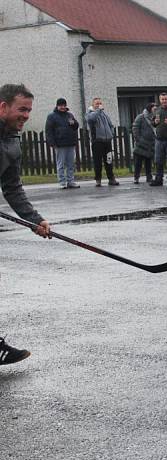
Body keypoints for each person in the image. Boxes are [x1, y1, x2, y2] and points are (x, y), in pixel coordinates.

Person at [0, 84, 52, 365]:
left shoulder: (12, 141)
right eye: (22, 109)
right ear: (3, 107)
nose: (26, 116)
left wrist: (34, 220)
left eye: (29, 111)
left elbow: (12, 187)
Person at [45, 98, 80, 189]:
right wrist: (52, 143)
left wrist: (74, 123)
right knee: (60, 164)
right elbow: (48, 131)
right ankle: (62, 182)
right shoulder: (52, 116)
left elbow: (76, 126)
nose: (63, 107)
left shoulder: (69, 115)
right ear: (57, 106)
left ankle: (70, 181)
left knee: (70, 164)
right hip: (59, 144)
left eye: (64, 105)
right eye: (61, 105)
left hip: (70, 143)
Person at [86, 97, 119, 186]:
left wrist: (111, 133)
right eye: (97, 103)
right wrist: (98, 110)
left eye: (100, 103)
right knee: (97, 162)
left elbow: (110, 124)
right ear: (93, 105)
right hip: (97, 141)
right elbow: (91, 119)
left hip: (107, 141)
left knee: (109, 161)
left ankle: (111, 179)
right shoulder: (90, 113)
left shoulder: (104, 114)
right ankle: (98, 180)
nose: (99, 105)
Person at [131, 103, 156, 184]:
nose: (155, 110)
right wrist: (138, 140)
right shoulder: (141, 117)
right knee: (138, 162)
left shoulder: (154, 118)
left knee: (148, 162)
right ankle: (136, 177)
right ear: (150, 108)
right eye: (154, 108)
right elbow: (135, 128)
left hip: (150, 144)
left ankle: (149, 177)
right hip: (141, 144)